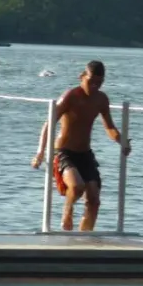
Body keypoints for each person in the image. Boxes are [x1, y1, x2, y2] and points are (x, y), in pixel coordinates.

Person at [31, 60, 131, 231]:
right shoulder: (70, 96)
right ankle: (67, 213)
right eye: (91, 81)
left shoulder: (101, 99)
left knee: (94, 198)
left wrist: (121, 141)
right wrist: (40, 152)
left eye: (99, 83)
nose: (94, 86)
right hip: (64, 151)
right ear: (82, 76)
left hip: (85, 153)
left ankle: (85, 236)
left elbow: (109, 127)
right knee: (77, 186)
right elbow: (49, 123)